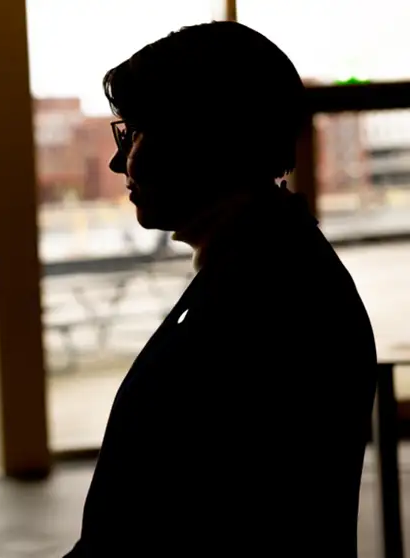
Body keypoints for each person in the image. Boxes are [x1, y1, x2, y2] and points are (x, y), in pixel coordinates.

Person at [66, 22, 376, 557]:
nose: (120, 161)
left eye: (135, 133)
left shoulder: (263, 302)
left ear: (202, 138)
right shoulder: (273, 267)